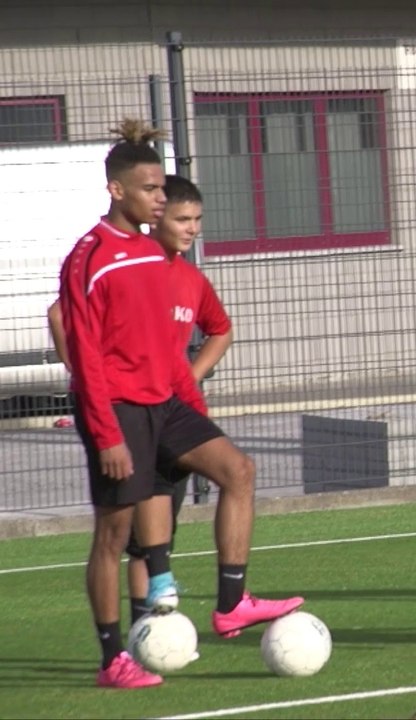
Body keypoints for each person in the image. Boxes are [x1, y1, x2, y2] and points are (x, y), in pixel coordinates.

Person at [57, 120, 303, 689]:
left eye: (163, 191)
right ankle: (112, 659)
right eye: (150, 190)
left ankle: (231, 602)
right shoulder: (89, 259)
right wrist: (107, 435)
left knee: (237, 469)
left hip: (164, 405)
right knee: (113, 539)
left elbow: (167, 349)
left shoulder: (153, 253)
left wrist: (192, 409)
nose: (161, 199)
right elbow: (87, 358)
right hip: (117, 413)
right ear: (117, 190)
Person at [49, 174, 232, 631]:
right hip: (124, 407)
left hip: (166, 406)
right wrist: (92, 386)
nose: (191, 228)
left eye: (196, 219)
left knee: (182, 514)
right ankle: (132, 636)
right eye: (180, 217)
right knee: (125, 538)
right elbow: (65, 319)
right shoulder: (105, 256)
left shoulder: (177, 272)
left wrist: (189, 390)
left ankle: (223, 603)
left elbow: (212, 333)